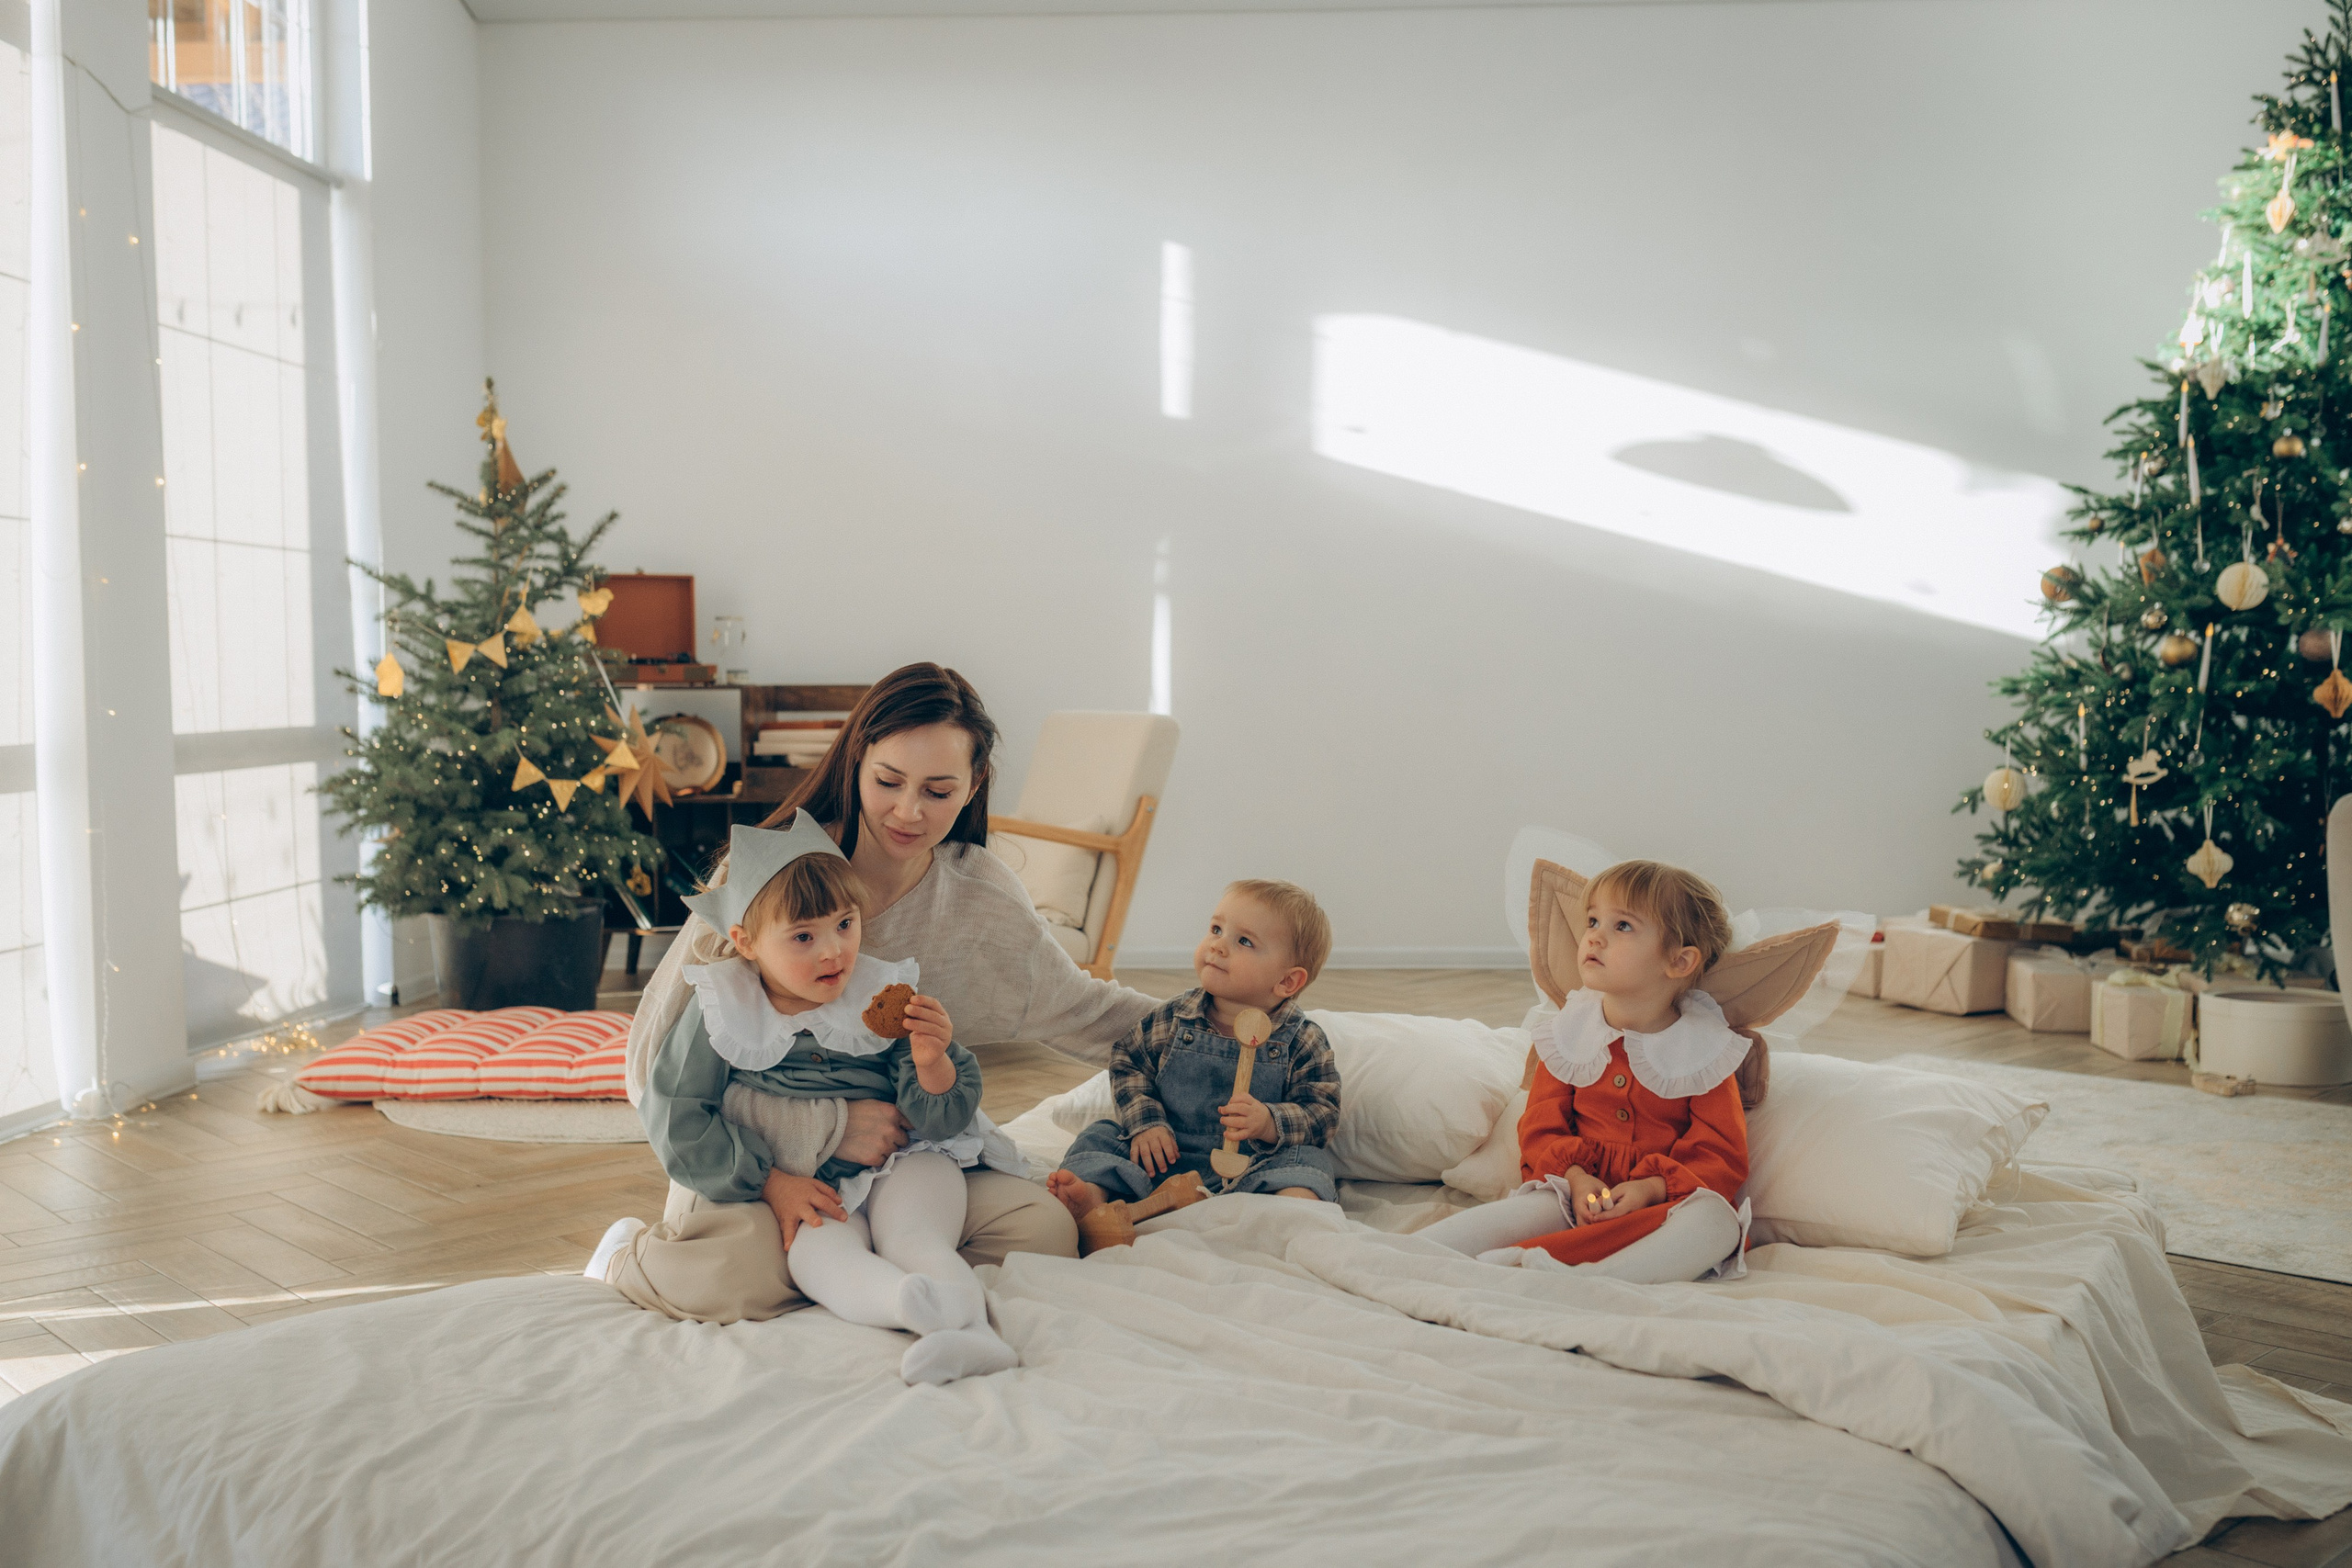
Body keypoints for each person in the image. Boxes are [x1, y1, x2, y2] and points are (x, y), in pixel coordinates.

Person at [597, 663, 1162, 1323]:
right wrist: (822, 1131)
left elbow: (1087, 1010)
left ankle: (872, 1270)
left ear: (974, 784)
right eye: (889, 781)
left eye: (939, 789)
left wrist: (1234, 1024)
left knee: (1041, 1233)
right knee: (731, 1275)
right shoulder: (770, 877)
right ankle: (622, 1254)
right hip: (761, 1172)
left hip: (902, 1170)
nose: (908, 811)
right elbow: (651, 1072)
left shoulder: (981, 897)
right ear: (857, 757)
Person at [605, 813, 1023, 1382]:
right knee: (816, 1258)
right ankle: (912, 1309)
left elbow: (943, 1117)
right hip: (814, 1182)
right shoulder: (721, 1009)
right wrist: (771, 1182)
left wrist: (931, 1063)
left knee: (913, 1235)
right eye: (804, 936)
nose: (833, 952)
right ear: (745, 942)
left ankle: (976, 1336)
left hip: (908, 1161)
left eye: (844, 925)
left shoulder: (884, 994)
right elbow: (677, 1117)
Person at [1414, 860, 1749, 1284]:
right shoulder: (1569, 1033)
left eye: (1622, 926)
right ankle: (1407, 1254)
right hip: (1572, 1196)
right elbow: (1540, 1126)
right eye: (1593, 920)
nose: (1594, 935)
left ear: (1680, 961)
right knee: (1523, 1212)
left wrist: (1651, 1188)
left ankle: (1599, 1280)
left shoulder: (1705, 1050)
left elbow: (1721, 1154)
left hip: (1662, 1209)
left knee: (1717, 1222)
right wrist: (1575, 1178)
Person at [1047, 880, 1340, 1222]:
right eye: (1216, 929)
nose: (1217, 945)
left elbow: (1322, 1113)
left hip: (1252, 1169)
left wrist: (1269, 1122)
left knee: (1307, 1162)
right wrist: (1147, 1124)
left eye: (1244, 941)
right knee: (1101, 1135)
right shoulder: (1173, 1017)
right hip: (1162, 1160)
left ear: (1287, 982)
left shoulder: (1302, 1040)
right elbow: (1129, 1063)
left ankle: (1291, 1215)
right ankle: (1090, 1200)